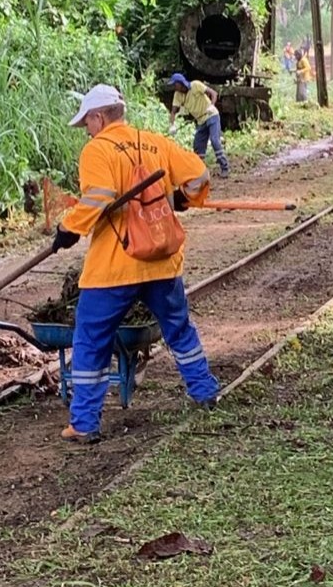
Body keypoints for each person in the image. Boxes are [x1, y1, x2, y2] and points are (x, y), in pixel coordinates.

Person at [52, 84, 219, 442]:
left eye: (87, 123)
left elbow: (99, 196)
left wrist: (70, 228)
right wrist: (182, 199)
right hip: (161, 260)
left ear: (98, 117)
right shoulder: (154, 141)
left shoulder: (98, 150)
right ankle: (204, 391)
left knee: (91, 338)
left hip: (116, 266)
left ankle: (84, 424)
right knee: (179, 329)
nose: (88, 130)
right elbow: (200, 175)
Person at [167, 73, 229, 178]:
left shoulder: (195, 85)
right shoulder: (177, 95)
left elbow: (213, 93)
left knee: (215, 140)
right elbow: (173, 111)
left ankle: (224, 167)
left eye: (175, 84)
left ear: (181, 83)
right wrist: (172, 125)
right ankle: (199, 171)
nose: (174, 87)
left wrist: (211, 106)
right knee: (198, 147)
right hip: (200, 121)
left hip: (211, 115)